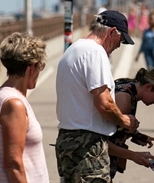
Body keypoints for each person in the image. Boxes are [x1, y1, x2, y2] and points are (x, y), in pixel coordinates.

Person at [55, 10, 139, 182]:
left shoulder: (73, 50)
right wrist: (124, 121)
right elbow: (104, 103)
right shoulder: (95, 52)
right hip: (88, 144)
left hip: (66, 140)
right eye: (121, 40)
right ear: (112, 32)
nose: (118, 46)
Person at [0, 32, 49, 182]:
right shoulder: (14, 103)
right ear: (31, 68)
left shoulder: (5, 94)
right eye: (41, 66)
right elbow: (13, 163)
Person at [108, 67, 154, 180]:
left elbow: (116, 129)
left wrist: (137, 135)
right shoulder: (124, 100)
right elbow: (99, 142)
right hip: (93, 163)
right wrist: (134, 156)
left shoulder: (130, 86)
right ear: (149, 87)